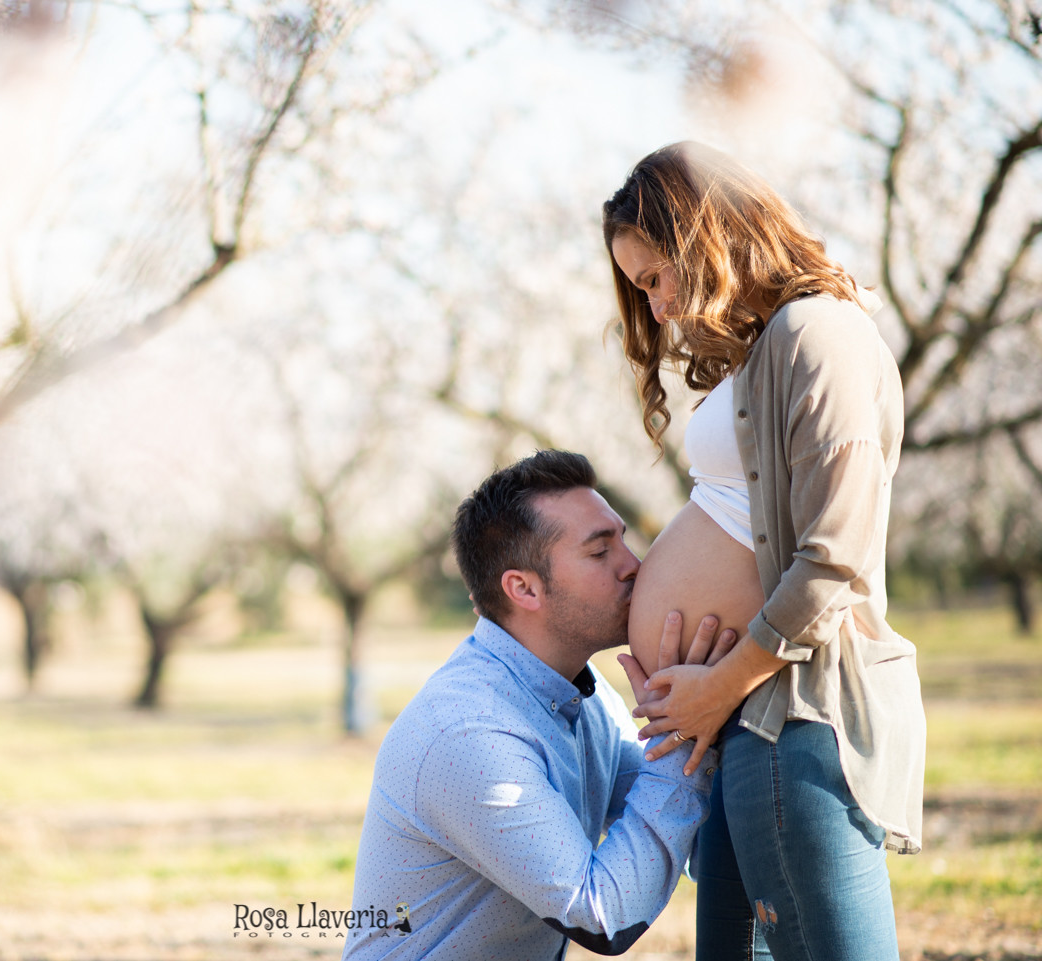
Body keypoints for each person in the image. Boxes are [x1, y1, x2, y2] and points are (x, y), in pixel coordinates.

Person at [601, 141, 926, 961]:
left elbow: (833, 560)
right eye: (642, 290)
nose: (658, 308)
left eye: (655, 278)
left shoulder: (819, 332)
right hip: (745, 718)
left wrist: (717, 686)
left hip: (794, 712)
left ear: (703, 235)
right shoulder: (764, 347)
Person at [343, 449, 734, 960]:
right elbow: (603, 916)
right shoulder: (468, 733)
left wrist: (720, 698)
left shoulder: (585, 694)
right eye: (600, 552)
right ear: (524, 588)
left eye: (623, 541)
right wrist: (681, 732)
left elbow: (686, 827)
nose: (634, 567)